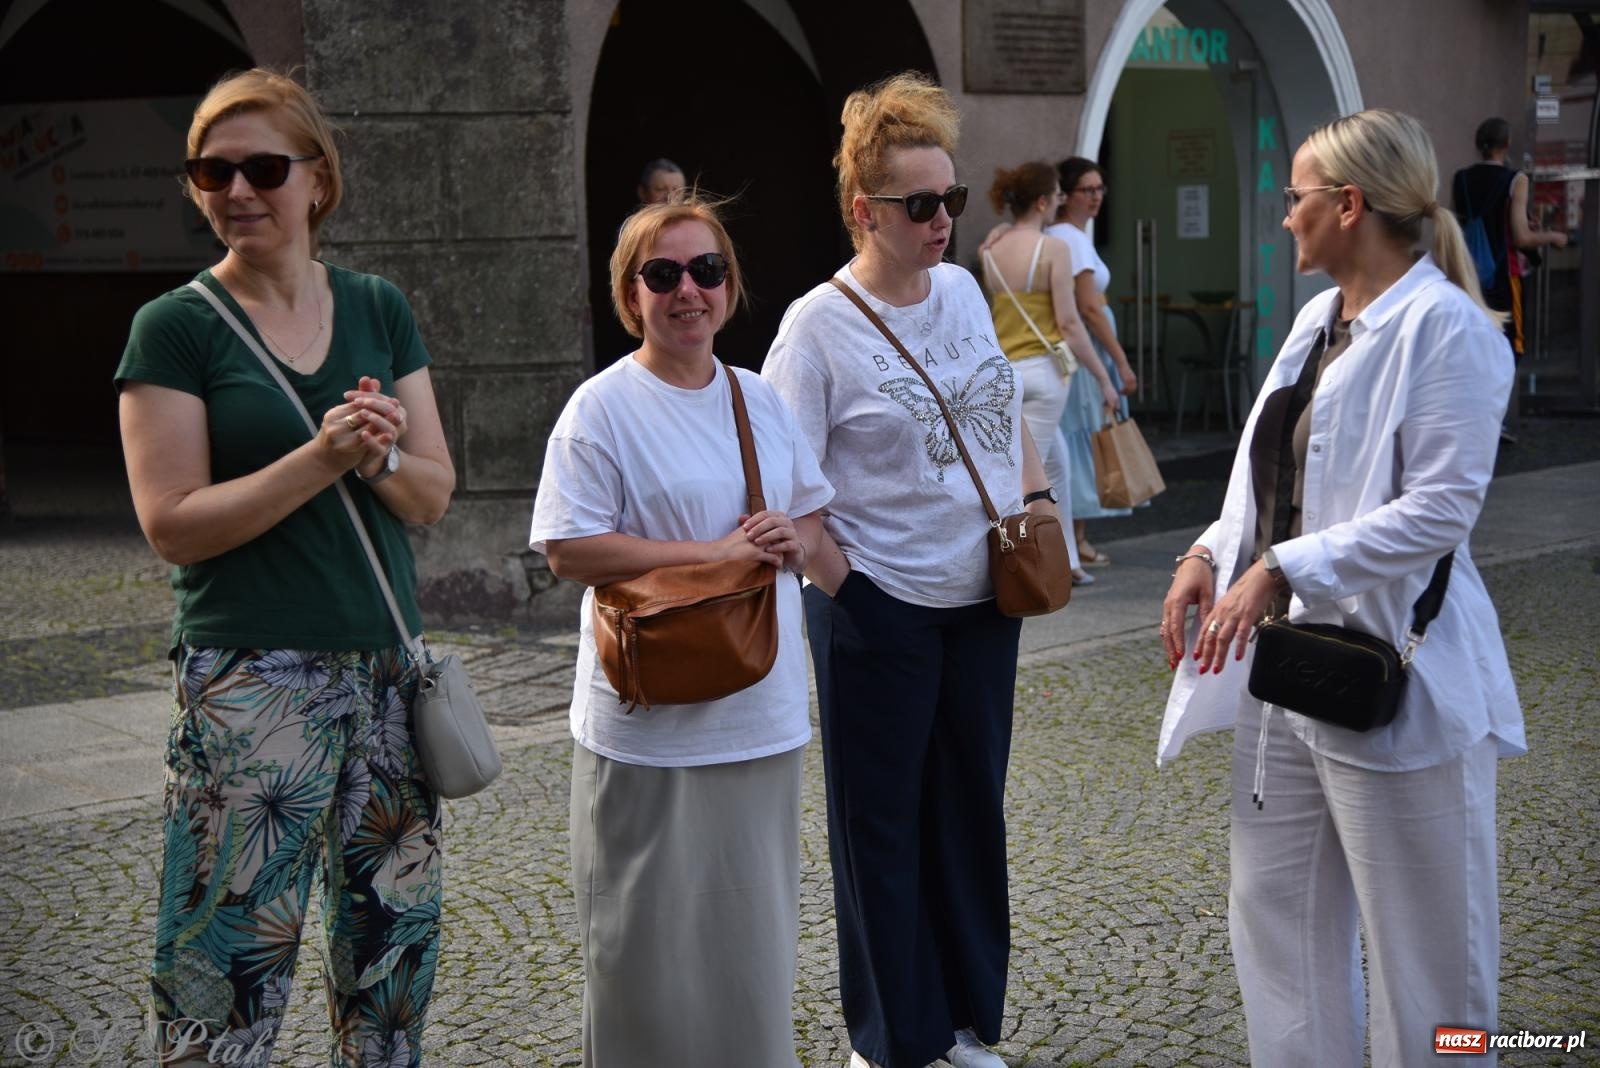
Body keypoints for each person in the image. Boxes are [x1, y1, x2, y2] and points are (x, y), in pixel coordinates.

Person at [1157, 109, 1525, 1068]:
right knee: (1276, 926)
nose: (1285, 217)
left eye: (1296, 198)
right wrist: (1208, 551)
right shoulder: (1321, 320)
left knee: (1429, 962)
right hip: (1293, 675)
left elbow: (1443, 508)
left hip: (1398, 677)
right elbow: (1268, 471)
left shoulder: (1446, 329)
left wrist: (1284, 569)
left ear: (1348, 206)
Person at [116, 68, 456, 1066]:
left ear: (318, 179)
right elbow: (172, 524)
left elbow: (432, 491)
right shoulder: (172, 329)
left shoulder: (376, 307)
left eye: (264, 167)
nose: (237, 191)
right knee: (225, 972)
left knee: (390, 964)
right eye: (211, 172)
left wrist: (381, 452)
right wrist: (322, 455)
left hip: (387, 682)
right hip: (250, 684)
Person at [763, 71, 1056, 1068]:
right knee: (879, 828)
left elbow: (1002, 407)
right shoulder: (815, 328)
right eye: (920, 205)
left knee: (969, 812)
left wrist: (1038, 506)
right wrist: (855, 594)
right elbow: (786, 487)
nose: (942, 221)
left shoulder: (967, 289)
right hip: (876, 603)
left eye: (952, 200)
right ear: (864, 211)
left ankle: (969, 1020)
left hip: (984, 600)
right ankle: (894, 1038)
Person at [529, 196, 832, 1068]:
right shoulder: (601, 409)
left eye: (706, 270)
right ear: (632, 297)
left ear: (731, 286)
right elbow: (569, 548)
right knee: (640, 957)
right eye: (662, 275)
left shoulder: (762, 400)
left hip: (758, 713)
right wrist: (714, 552)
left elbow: (815, 534)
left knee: (751, 950)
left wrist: (790, 540)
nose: (687, 291)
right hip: (647, 723)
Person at [982, 160, 1118, 588]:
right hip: (1043, 374)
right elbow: (1070, 323)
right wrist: (1104, 377)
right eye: (1058, 195)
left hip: (1005, 372)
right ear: (1042, 201)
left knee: (1055, 466)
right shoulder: (1053, 250)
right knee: (1021, 480)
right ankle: (1018, 566)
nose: (1060, 201)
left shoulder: (992, 249)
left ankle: (1070, 561)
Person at [1045, 157, 1140, 567]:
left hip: (1074, 347)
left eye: (1101, 189)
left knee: (1077, 436)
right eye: (1088, 189)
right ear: (1067, 195)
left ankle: (1076, 536)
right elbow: (1089, 307)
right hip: (1086, 349)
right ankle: (1077, 537)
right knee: (1085, 434)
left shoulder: (1060, 235)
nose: (1097, 197)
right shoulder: (1072, 239)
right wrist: (1120, 362)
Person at [1450, 116, 1567, 361]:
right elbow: (1522, 238)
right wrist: (1553, 236)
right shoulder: (1516, 179)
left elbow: (1457, 226)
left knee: (1472, 348)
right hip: (1504, 276)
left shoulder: (1461, 178)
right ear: (1507, 143)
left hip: (1466, 277)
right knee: (1508, 348)